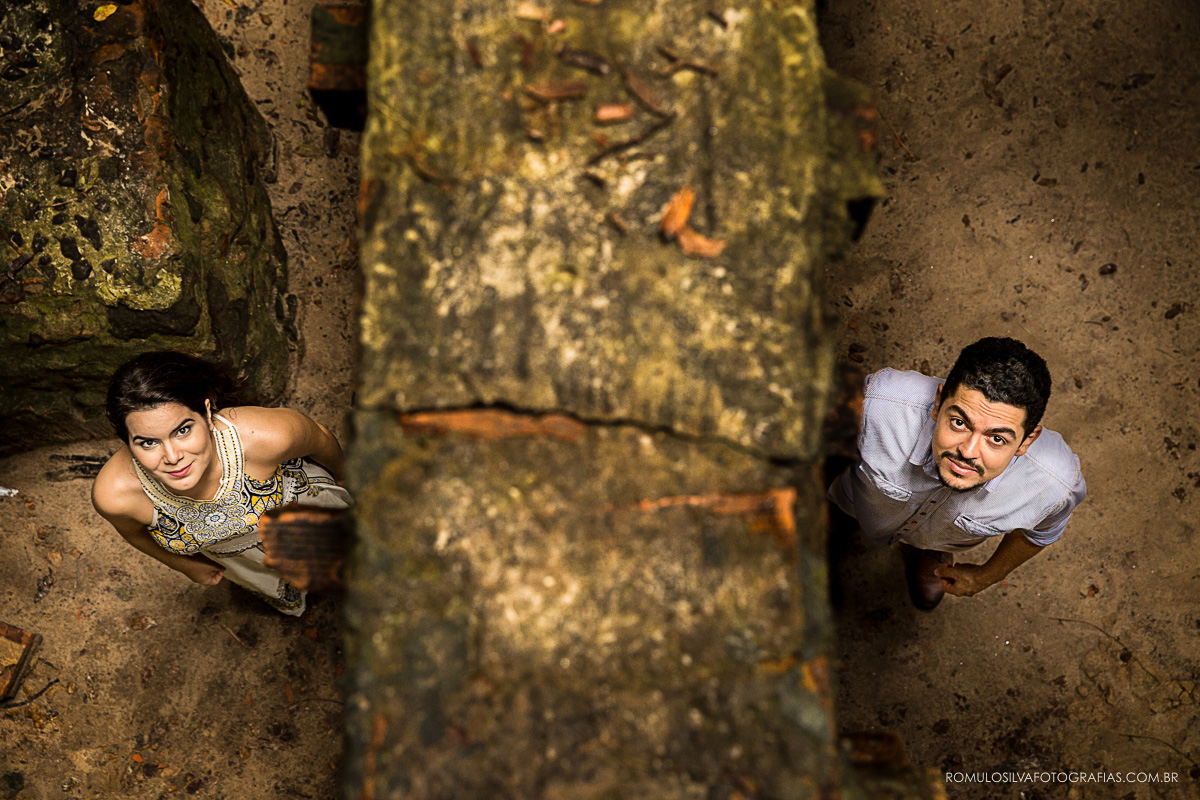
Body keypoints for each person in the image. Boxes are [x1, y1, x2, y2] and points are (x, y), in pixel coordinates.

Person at [828, 337, 1086, 610]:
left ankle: (930, 551)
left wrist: (987, 575)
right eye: (959, 422)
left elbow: (1041, 533)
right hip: (853, 504)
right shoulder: (879, 404)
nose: (968, 451)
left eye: (997, 439)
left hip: (938, 536)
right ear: (938, 404)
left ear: (1026, 441)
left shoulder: (1054, 485)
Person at [92, 351, 352, 616]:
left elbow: (321, 438)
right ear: (126, 441)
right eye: (148, 442)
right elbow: (134, 533)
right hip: (250, 564)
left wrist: (344, 477)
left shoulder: (266, 436)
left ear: (206, 413)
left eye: (183, 430)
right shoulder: (116, 496)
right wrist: (182, 564)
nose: (173, 457)